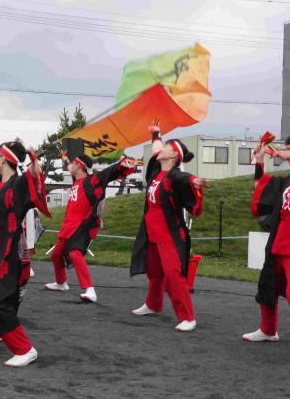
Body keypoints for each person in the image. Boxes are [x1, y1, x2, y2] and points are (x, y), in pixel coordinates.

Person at [0, 140, 51, 367]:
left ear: (3, 159)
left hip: (5, 254)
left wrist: (34, 166)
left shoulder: (16, 185)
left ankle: (25, 349)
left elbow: (33, 179)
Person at [129, 127, 206, 332]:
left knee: (173, 274)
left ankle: (188, 317)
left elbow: (185, 178)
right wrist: (156, 134)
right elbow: (156, 150)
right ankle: (153, 304)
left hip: (169, 234)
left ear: (174, 154)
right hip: (152, 231)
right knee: (154, 271)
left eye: (166, 147)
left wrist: (193, 181)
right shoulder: (156, 172)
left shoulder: (174, 176)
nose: (161, 149)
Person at [45, 153, 136, 302]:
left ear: (80, 166)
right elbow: (69, 166)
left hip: (83, 225)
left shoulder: (92, 180)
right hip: (68, 225)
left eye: (73, 164)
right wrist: (65, 159)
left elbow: (109, 172)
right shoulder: (76, 179)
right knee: (56, 255)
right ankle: (61, 283)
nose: (70, 167)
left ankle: (90, 290)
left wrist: (122, 163)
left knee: (75, 253)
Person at [242, 134, 290, 342]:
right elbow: (263, 187)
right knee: (267, 287)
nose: (287, 156)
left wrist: (280, 152)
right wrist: (260, 160)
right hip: (279, 243)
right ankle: (268, 330)